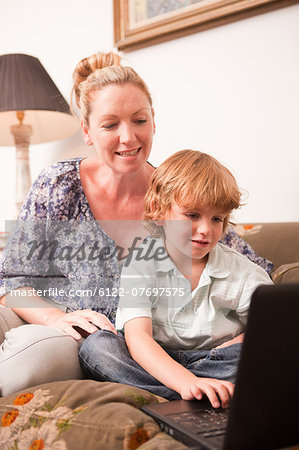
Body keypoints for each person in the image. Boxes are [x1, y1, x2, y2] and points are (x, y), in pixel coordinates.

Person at [0, 51, 272, 397]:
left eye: (139, 121)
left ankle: (183, 390)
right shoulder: (60, 184)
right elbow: (11, 278)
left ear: (154, 121)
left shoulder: (176, 195)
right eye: (111, 124)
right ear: (87, 130)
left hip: (102, 338)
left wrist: (239, 339)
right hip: (47, 313)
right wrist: (54, 317)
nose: (128, 138)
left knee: (26, 367)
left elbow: (243, 267)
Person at [78, 150, 272, 409]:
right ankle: (197, 392)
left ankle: (193, 391)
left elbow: (275, 329)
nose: (205, 229)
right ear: (158, 211)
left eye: (217, 219)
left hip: (217, 359)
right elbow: (139, 339)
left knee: (263, 352)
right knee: (98, 348)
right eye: (192, 215)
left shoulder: (241, 271)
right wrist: (185, 382)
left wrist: (247, 341)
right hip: (155, 358)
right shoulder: (140, 263)